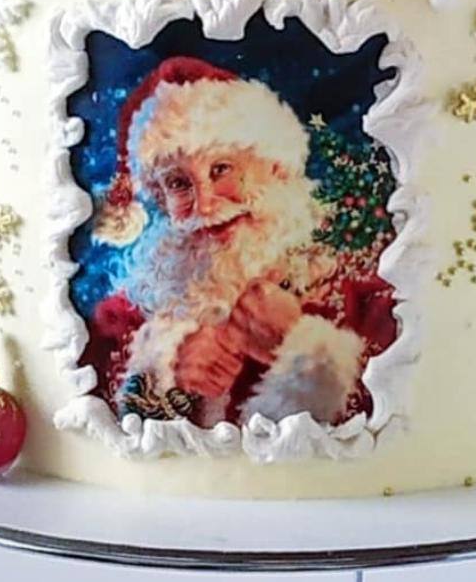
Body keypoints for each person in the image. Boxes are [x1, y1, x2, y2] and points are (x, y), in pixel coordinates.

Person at [86, 56, 393, 428]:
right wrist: (166, 378)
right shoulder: (125, 321)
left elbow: (399, 410)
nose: (205, 204)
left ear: (275, 167)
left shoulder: (363, 292)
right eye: (178, 183)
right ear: (162, 202)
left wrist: (301, 346)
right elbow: (102, 423)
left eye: (221, 169)